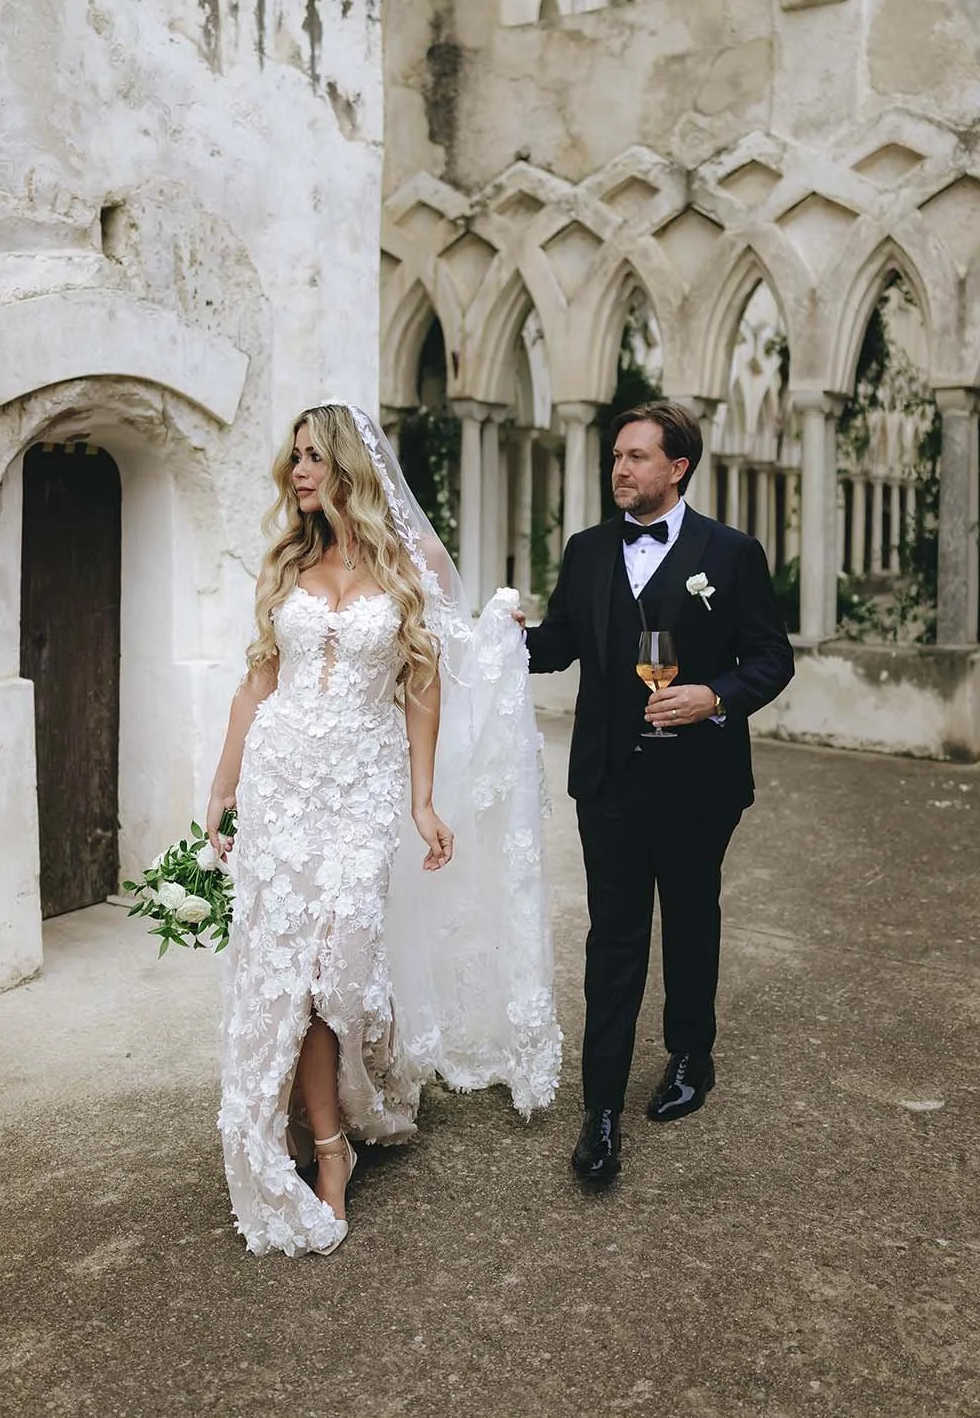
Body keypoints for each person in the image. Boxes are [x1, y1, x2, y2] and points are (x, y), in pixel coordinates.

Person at [205, 403, 560, 1257]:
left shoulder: (410, 563)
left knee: (338, 964)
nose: (298, 472)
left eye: (314, 458)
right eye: (293, 458)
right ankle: (328, 1147)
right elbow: (257, 686)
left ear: (351, 468)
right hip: (282, 781)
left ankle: (328, 1114)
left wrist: (423, 798)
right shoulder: (287, 561)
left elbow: (427, 684)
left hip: (362, 789)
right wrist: (222, 787)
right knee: (291, 968)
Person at [524, 400, 794, 1187]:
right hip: (607, 781)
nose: (620, 469)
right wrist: (499, 634)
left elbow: (770, 658)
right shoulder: (587, 551)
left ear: (677, 468)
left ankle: (689, 1056)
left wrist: (714, 694)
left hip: (698, 781)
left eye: (637, 457)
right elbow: (556, 646)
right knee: (612, 938)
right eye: (616, 456)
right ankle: (599, 1107)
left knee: (690, 919)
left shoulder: (732, 553)